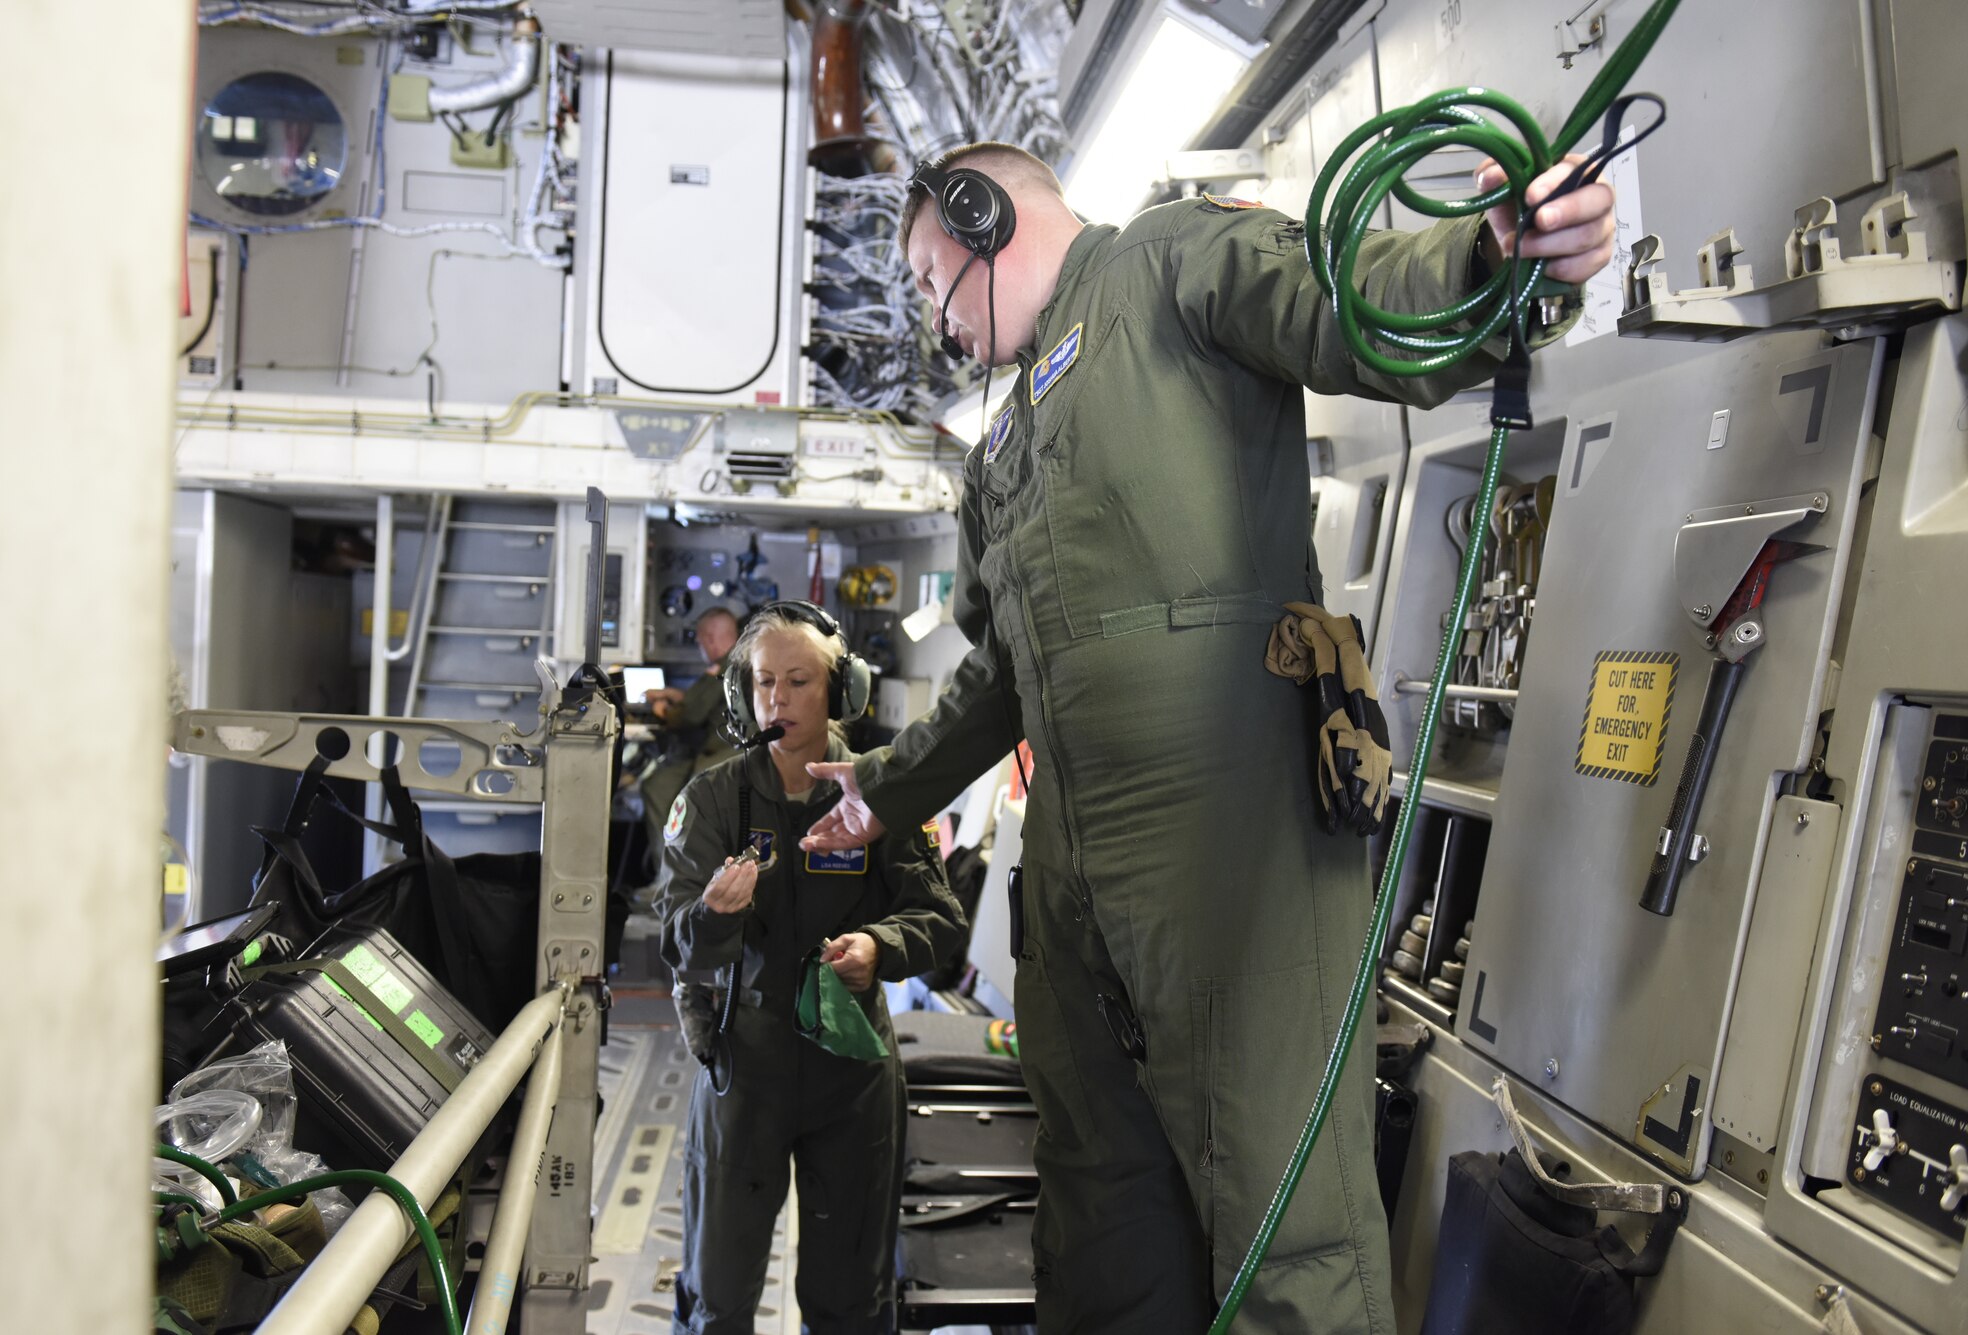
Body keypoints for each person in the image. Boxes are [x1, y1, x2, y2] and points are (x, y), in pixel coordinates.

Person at [799, 142, 1621, 1333]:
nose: (939, 325)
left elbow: (1350, 305)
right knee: (1098, 1220)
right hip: (1078, 899)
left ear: (984, 220)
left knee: (1287, 1232)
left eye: (935, 283)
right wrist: (881, 790)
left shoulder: (1170, 262)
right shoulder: (1002, 450)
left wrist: (1490, 260)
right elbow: (998, 679)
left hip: (1227, 859)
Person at [654, 600, 967, 1335]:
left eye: (799, 681)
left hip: (850, 1071)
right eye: (764, 682)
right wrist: (713, 916)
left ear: (840, 692)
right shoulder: (711, 799)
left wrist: (880, 947)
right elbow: (674, 939)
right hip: (745, 1068)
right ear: (743, 693)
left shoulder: (883, 795)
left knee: (851, 1300)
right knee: (717, 1297)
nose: (779, 699)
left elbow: (942, 920)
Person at [639, 605, 742, 882]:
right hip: (722, 751)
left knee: (675, 796)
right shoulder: (737, 660)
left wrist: (663, 709)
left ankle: (676, 879)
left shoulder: (725, 666)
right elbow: (704, 704)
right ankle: (670, 875)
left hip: (721, 755)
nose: (701, 647)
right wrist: (674, 695)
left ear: (709, 638)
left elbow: (692, 715)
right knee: (659, 787)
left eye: (700, 641)